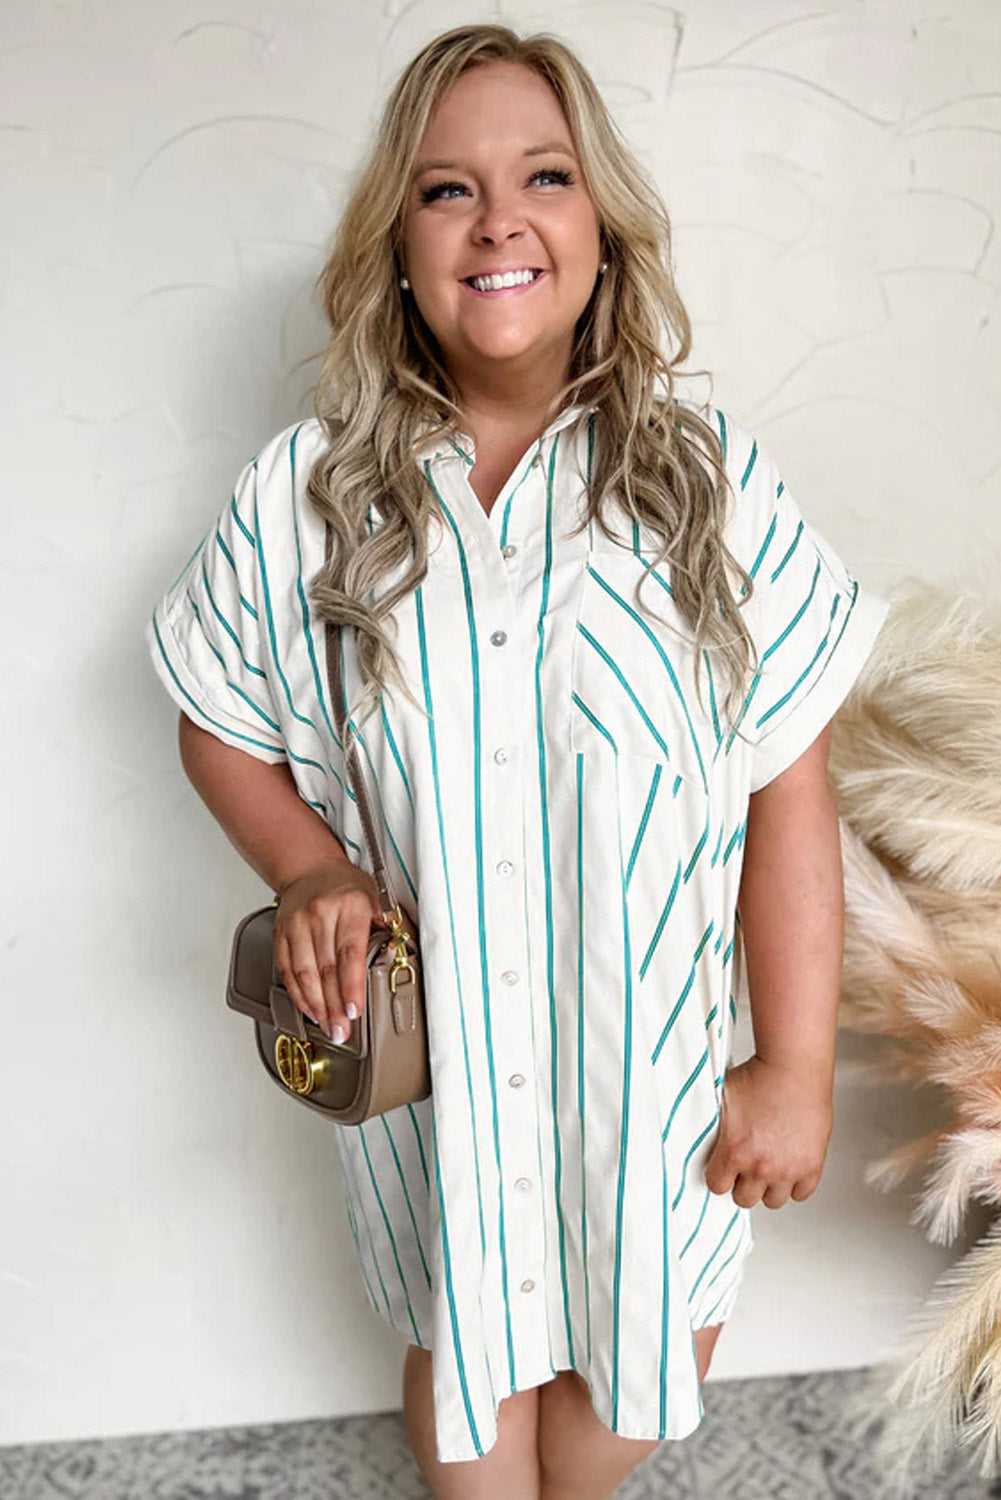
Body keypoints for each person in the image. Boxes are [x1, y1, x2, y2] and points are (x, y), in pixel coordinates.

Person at [143, 22, 891, 1500]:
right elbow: (216, 717)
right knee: (468, 1342)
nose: (497, 220)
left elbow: (787, 785)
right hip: (440, 1086)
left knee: (634, 1368)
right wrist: (310, 864)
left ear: (599, 231)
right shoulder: (306, 498)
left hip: (656, 1075)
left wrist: (795, 1066)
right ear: (398, 248)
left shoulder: (707, 483)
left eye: (542, 176)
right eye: (445, 190)